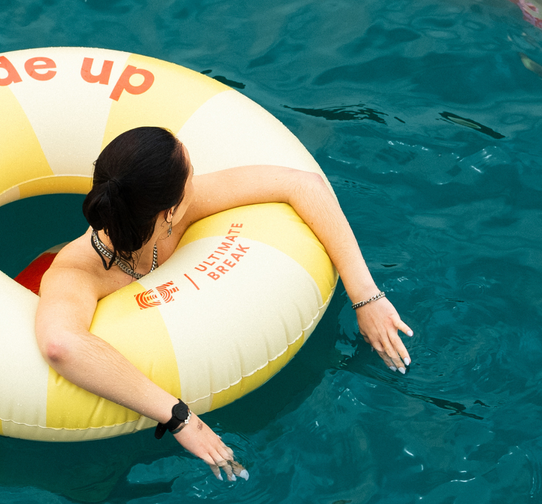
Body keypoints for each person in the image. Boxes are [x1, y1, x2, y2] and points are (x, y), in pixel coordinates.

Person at [33, 126, 413, 480]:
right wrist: (180, 418)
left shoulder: (177, 215)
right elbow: (61, 344)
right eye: (191, 177)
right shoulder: (77, 270)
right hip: (42, 312)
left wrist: (366, 296)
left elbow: (304, 185)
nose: (196, 183)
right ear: (169, 211)